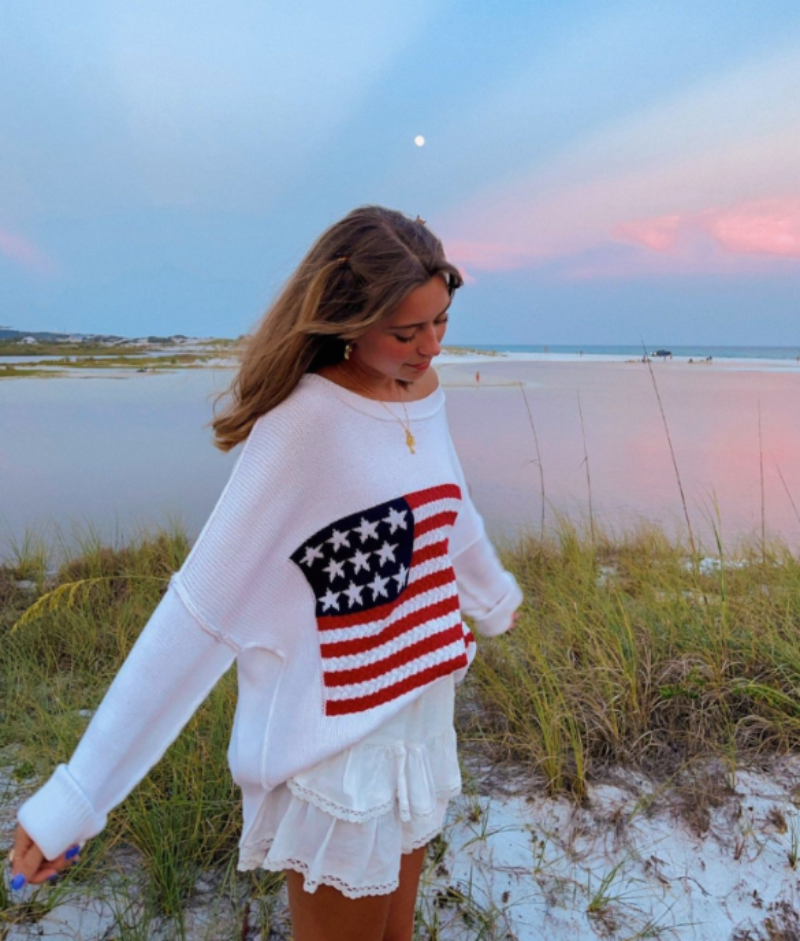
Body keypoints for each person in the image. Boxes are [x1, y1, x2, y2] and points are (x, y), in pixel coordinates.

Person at [10, 205, 523, 941]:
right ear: (348, 318)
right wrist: (76, 796)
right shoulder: (302, 426)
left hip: (419, 716)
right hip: (340, 750)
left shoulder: (419, 396)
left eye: (440, 320)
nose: (431, 348)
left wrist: (493, 594)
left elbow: (450, 506)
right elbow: (197, 614)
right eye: (406, 333)